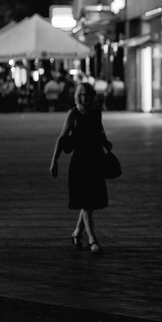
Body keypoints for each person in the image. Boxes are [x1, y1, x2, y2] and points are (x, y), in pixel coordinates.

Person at [50, 82, 113, 254]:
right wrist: (54, 161)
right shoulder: (74, 113)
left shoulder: (96, 112)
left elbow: (100, 132)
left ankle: (77, 233)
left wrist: (106, 144)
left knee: (89, 202)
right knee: (86, 202)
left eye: (90, 94)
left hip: (95, 160)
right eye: (84, 94)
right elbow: (62, 138)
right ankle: (92, 239)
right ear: (79, 96)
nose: (88, 98)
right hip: (80, 162)